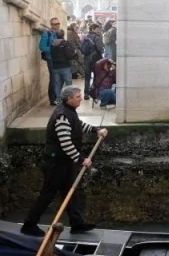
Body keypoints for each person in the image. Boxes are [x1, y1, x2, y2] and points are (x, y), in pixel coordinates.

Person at [21, 86, 108, 237]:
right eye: (78, 97)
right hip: (55, 163)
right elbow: (65, 143)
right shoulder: (61, 116)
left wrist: (96, 130)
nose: (81, 99)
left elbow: (78, 124)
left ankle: (77, 224)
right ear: (69, 99)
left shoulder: (69, 112)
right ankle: (29, 225)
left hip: (65, 161)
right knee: (48, 193)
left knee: (71, 191)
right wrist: (81, 160)